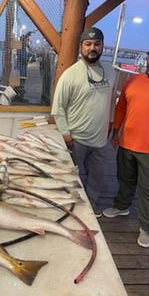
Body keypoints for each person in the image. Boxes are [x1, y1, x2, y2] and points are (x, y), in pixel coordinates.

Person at [103, 41, 149, 248]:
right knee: (124, 180)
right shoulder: (133, 81)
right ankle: (122, 206)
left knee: (148, 190)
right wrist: (116, 132)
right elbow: (121, 107)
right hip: (126, 144)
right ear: (147, 58)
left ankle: (146, 227)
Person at [51, 27, 116, 218]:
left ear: (103, 46)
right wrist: (66, 134)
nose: (92, 48)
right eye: (88, 44)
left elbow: (111, 101)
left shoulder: (111, 71)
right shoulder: (70, 74)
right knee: (72, 176)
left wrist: (111, 122)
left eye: (97, 44)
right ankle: (74, 209)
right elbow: (58, 108)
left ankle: (90, 206)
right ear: (81, 47)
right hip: (77, 138)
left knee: (96, 178)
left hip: (101, 139)